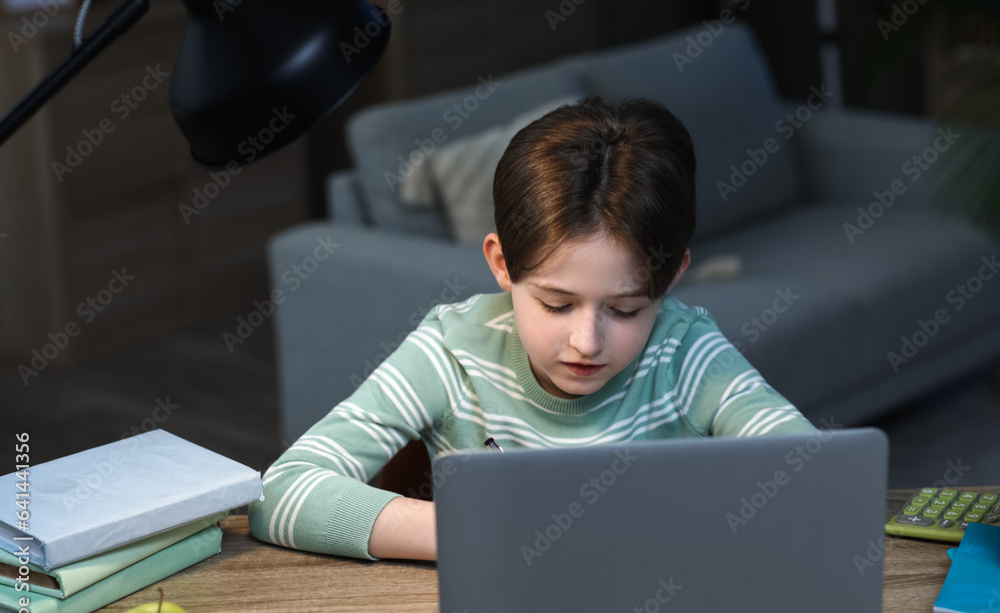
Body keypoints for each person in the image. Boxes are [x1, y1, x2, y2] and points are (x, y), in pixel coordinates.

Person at [247, 96, 817, 562]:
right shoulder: (451, 351)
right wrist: (484, 534)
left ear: (671, 281)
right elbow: (280, 493)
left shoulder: (686, 353)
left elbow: (815, 479)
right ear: (501, 264)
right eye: (555, 303)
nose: (587, 342)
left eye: (625, 310)